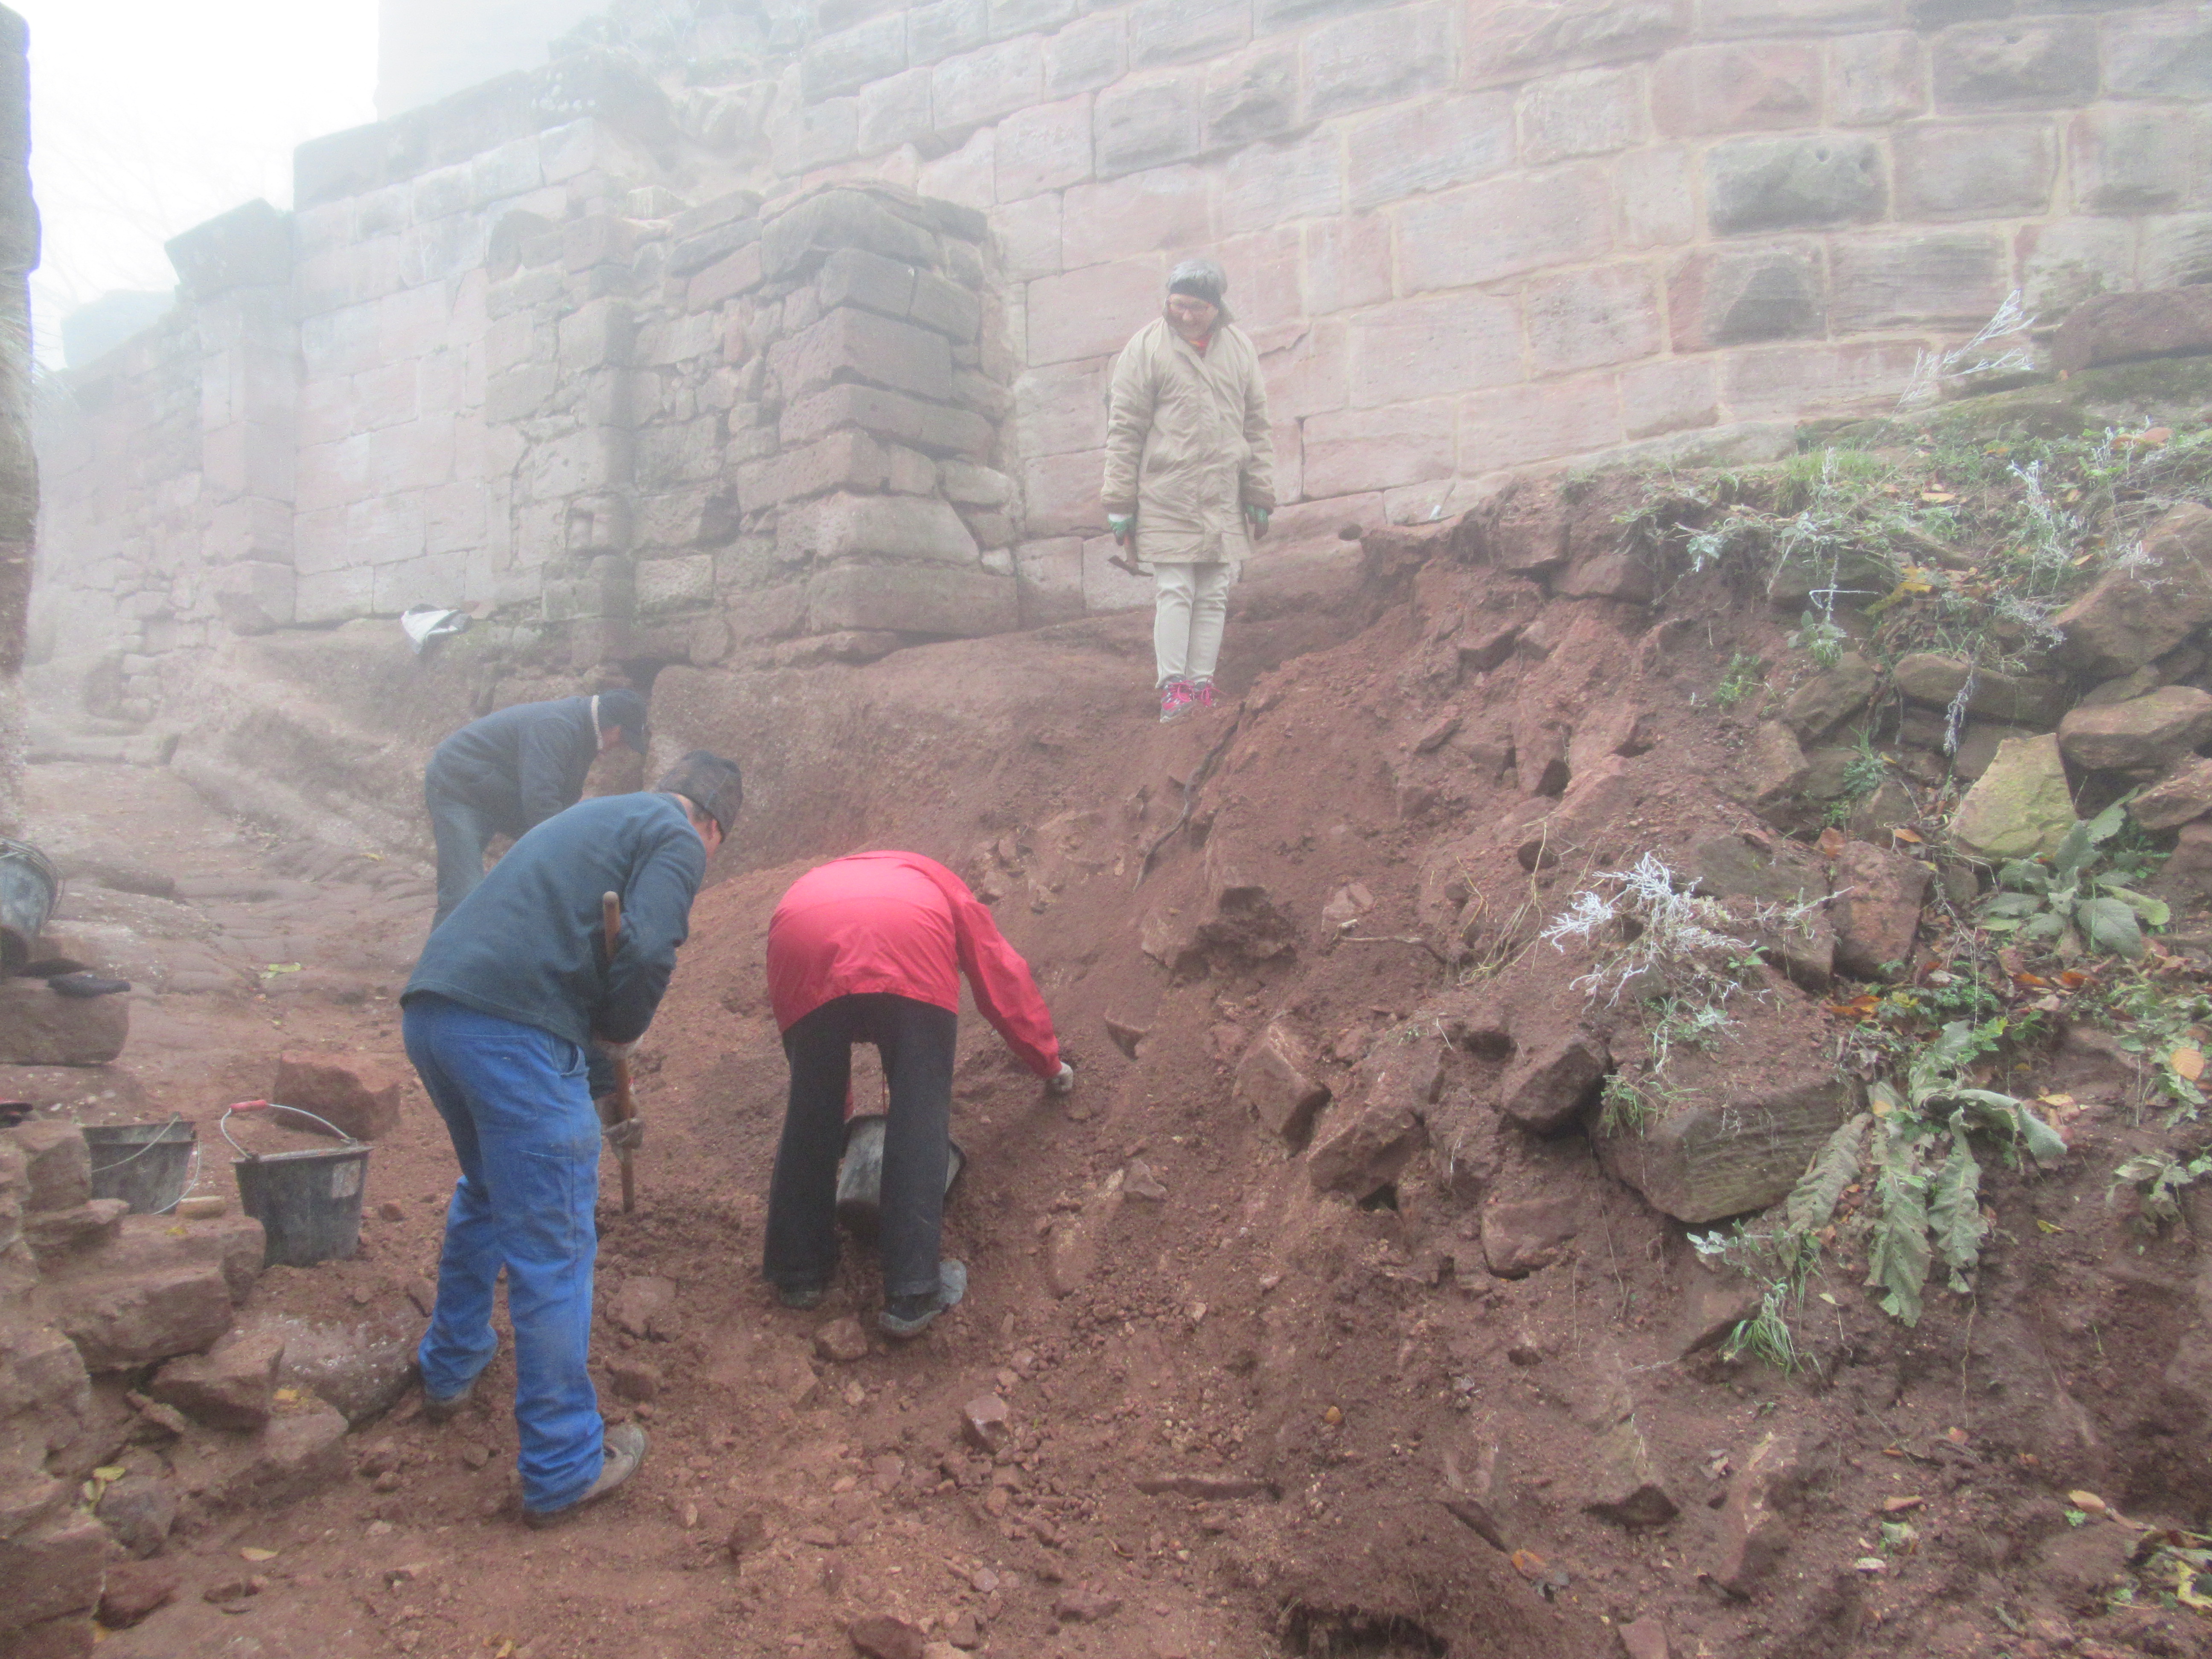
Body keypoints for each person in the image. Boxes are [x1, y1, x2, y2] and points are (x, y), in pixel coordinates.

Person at [401, 750, 742, 1528]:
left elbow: (560, 954)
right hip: (510, 1032)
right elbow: (646, 951)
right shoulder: (678, 835)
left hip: (436, 1012)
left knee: (489, 1193)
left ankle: (451, 1365)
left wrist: (596, 1083)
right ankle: (560, 1464)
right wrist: (619, 1034)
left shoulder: (598, 821)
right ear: (714, 826)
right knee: (554, 1247)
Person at [763, 851, 1074, 1338]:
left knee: (809, 1104)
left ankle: (798, 1273)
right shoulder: (938, 883)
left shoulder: (817, 881)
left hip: (799, 931)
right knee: (919, 1107)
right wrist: (1048, 1062)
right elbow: (999, 977)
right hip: (909, 937)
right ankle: (912, 1292)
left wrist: (837, 1109)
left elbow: (808, 1060)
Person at [1101, 256, 1277, 724]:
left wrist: (1259, 492)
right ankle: (1174, 688)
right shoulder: (1145, 347)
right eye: (1178, 304)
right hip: (1168, 491)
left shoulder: (1239, 349)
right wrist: (1119, 501)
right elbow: (1125, 428)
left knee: (1215, 590)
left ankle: (1201, 686)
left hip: (1222, 491)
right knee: (1176, 587)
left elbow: (1257, 425)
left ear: (1216, 306)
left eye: (1196, 307)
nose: (1185, 315)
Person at [425, 689, 651, 925]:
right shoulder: (556, 726)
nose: (620, 746)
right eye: (623, 739)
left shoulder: (584, 733)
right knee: (463, 892)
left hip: (495, 791)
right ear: (614, 727)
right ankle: (445, 949)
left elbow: (564, 798)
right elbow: (541, 800)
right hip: (458, 788)